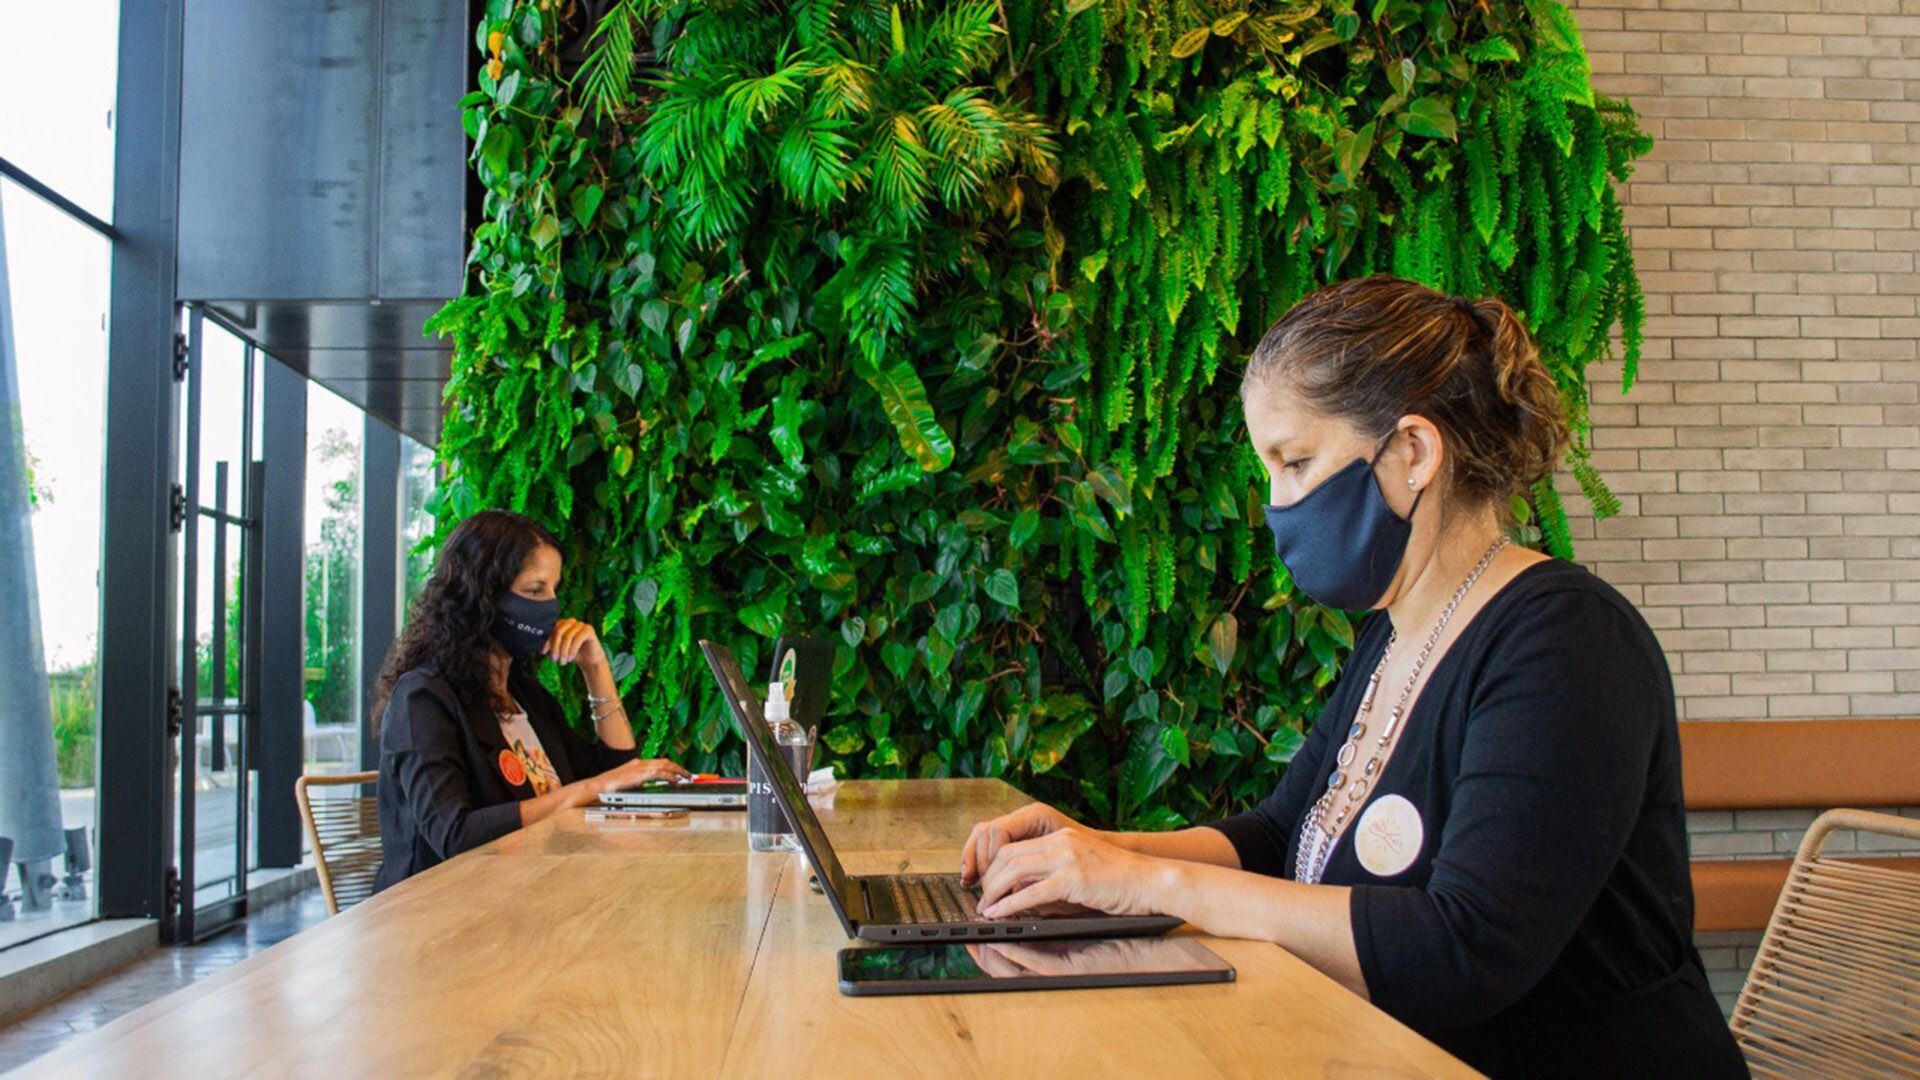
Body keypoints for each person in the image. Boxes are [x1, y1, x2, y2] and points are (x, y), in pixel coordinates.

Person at [959, 276, 1747, 1078]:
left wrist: (1147, 885)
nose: (1277, 505)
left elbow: (1465, 948)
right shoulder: (1394, 634)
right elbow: (1280, 839)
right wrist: (1093, 855)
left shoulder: (1567, 642)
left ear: (1413, 452)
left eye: (1296, 462)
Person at [371, 510, 688, 891]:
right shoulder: (422, 698)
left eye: (554, 589)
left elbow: (621, 775)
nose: (551, 607)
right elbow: (454, 835)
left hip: (531, 894)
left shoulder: (522, 696)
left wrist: (596, 668)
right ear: (482, 595)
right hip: (443, 909)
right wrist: (590, 789)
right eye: (535, 591)